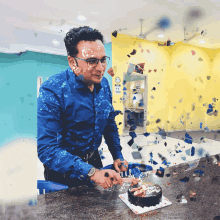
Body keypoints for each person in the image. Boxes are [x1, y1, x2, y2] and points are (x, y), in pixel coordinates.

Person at [37, 26, 129, 189]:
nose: (101, 68)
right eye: (92, 61)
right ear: (73, 62)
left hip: (93, 160)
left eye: (103, 60)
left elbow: (109, 124)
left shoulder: (104, 85)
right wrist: (91, 172)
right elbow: (47, 149)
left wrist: (117, 155)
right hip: (63, 170)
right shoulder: (53, 90)